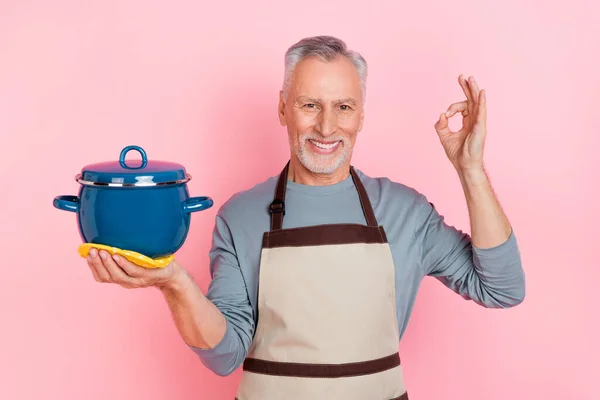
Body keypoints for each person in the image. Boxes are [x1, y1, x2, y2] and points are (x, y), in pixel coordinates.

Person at [85, 36, 526, 399]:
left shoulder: (405, 211)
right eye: (310, 105)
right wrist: (175, 284)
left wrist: (470, 169)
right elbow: (224, 356)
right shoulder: (240, 216)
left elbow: (501, 288)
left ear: (361, 116)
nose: (327, 127)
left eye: (344, 107)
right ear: (283, 108)